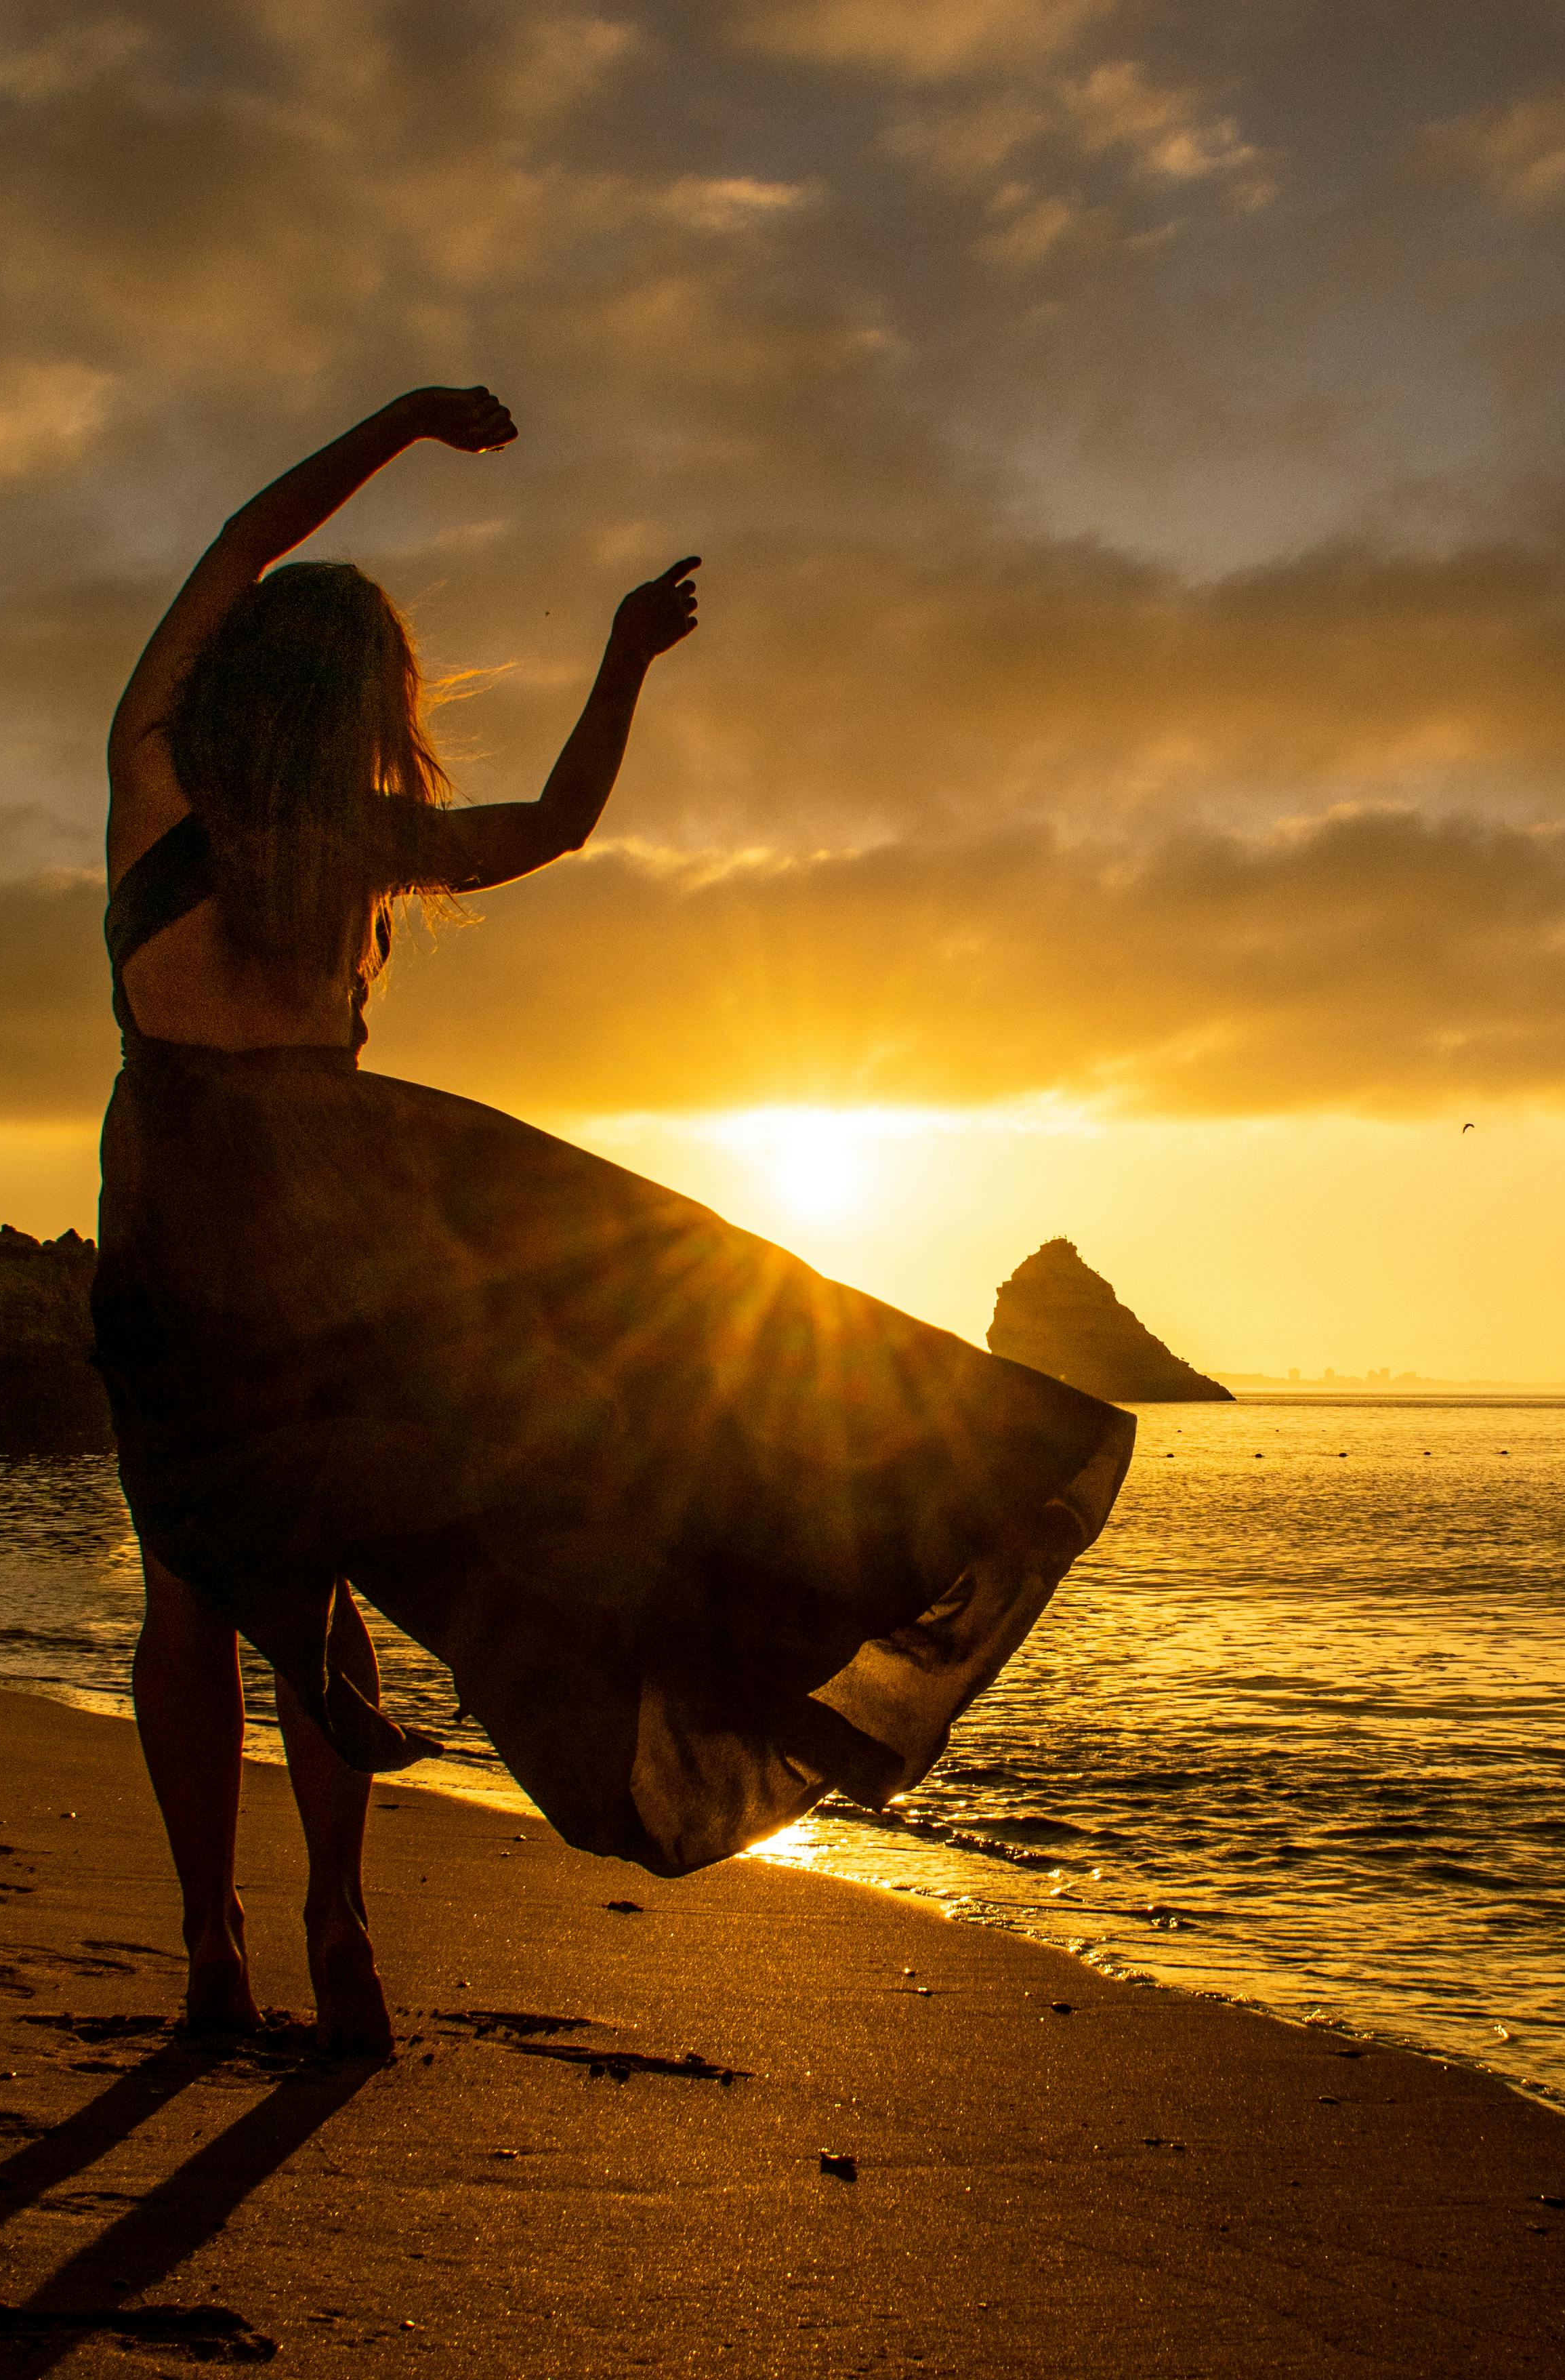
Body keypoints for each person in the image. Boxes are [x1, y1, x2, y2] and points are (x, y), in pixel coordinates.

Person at [95, 384, 1134, 2060]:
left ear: (233, 685)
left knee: (197, 1596)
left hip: (171, 1254)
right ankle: (339, 1930)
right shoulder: (364, 847)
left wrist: (404, 427)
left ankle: (212, 1946)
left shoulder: (150, 790)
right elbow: (563, 824)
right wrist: (625, 659)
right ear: (370, 710)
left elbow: (239, 540)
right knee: (347, 1573)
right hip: (354, 1253)